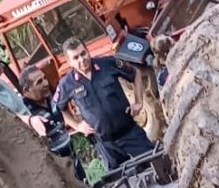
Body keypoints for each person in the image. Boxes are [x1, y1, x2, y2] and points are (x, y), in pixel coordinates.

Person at [54, 38, 155, 170]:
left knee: (155, 164)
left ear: (87, 51)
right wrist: (77, 126)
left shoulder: (108, 64)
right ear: (69, 62)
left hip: (130, 134)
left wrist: (139, 102)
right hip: (106, 145)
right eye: (76, 57)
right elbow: (60, 108)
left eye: (83, 53)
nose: (81, 59)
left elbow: (135, 73)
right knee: (122, 183)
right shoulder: (66, 84)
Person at [19, 65, 84, 179]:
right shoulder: (27, 112)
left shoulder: (50, 99)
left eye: (44, 78)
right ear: (26, 90)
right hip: (59, 172)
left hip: (74, 162)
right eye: (39, 82)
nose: (45, 83)